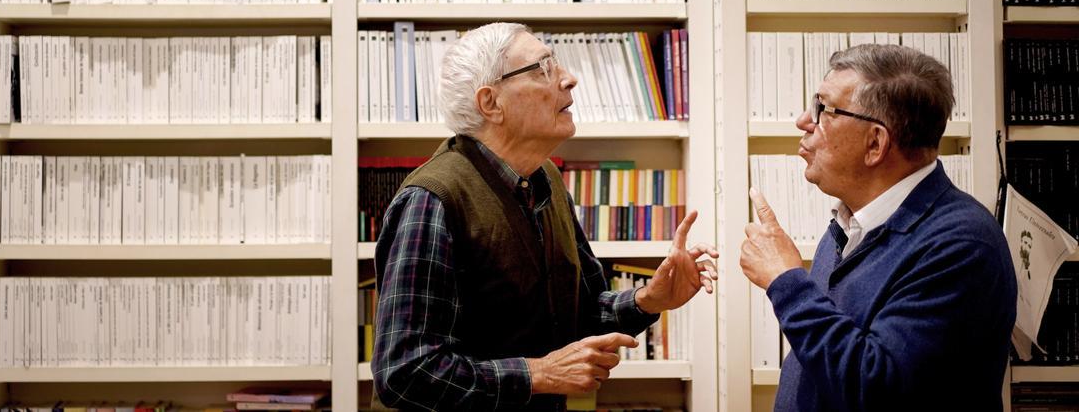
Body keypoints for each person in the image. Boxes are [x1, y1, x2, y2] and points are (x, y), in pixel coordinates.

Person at [372, 22, 718, 411]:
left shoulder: (544, 177)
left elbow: (579, 315)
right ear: (490, 103)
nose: (569, 79)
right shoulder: (432, 200)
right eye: (543, 69)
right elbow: (404, 373)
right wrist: (539, 375)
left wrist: (648, 300)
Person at [740, 43, 1017, 411]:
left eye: (823, 109)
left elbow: (875, 388)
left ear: (875, 143)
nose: (804, 121)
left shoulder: (961, 246)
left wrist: (786, 282)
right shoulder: (850, 223)